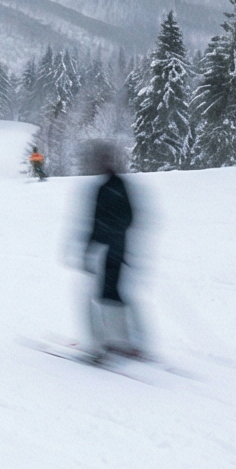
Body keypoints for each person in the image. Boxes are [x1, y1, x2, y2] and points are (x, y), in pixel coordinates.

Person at [78, 142, 143, 363]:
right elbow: (130, 217)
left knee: (96, 298)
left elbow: (96, 223)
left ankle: (99, 348)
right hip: (117, 249)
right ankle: (124, 343)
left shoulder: (106, 188)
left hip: (108, 251)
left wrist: (92, 248)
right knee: (114, 296)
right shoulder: (119, 185)